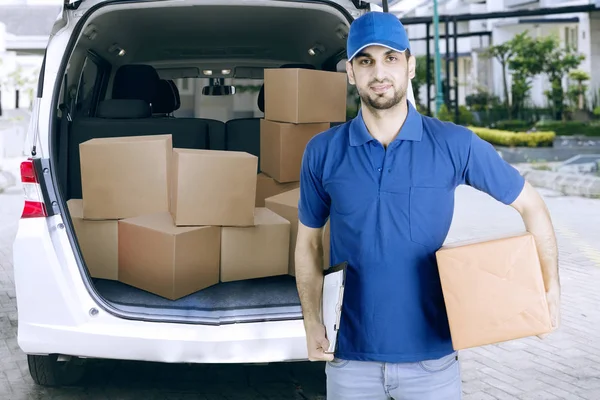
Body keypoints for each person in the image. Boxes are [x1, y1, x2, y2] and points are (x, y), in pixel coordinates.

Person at [294, 11, 561, 400]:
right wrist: (311, 320)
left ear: (410, 65)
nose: (379, 72)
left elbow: (532, 206)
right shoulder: (322, 151)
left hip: (433, 360)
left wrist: (549, 289)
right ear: (350, 72)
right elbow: (308, 244)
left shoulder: (454, 143)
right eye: (365, 61)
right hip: (350, 358)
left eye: (391, 58)